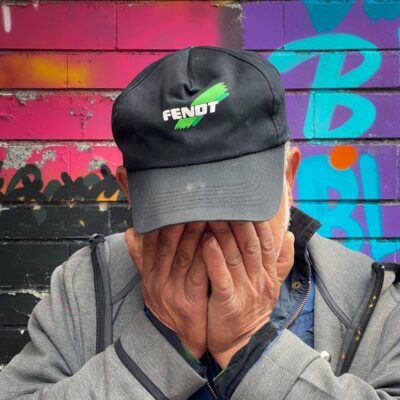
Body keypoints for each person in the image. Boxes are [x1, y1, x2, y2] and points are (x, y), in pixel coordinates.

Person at [0, 46, 399, 400]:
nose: (211, 236)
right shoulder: (86, 284)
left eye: (238, 205)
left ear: (289, 175)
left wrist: (252, 348)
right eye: (181, 210)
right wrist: (158, 346)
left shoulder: (368, 294)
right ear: (129, 192)